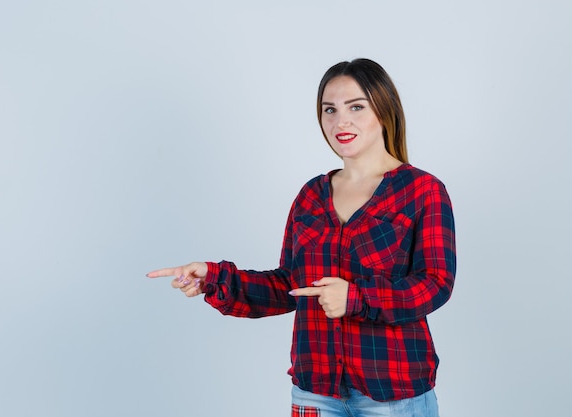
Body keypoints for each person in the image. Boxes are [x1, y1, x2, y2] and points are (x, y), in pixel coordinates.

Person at [147, 58, 456, 417]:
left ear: (384, 110)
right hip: (315, 392)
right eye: (330, 109)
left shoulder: (422, 190)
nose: (341, 121)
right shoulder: (311, 195)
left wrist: (356, 298)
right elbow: (288, 286)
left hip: (393, 394)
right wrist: (213, 278)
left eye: (356, 106)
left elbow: (435, 284)